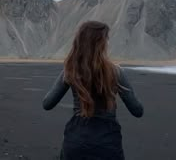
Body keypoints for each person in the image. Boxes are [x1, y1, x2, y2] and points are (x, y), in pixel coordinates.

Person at [42, 21, 143, 160]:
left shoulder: (71, 71)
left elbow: (47, 104)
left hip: (76, 141)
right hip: (107, 143)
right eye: (106, 40)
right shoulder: (116, 71)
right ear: (101, 43)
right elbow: (137, 110)